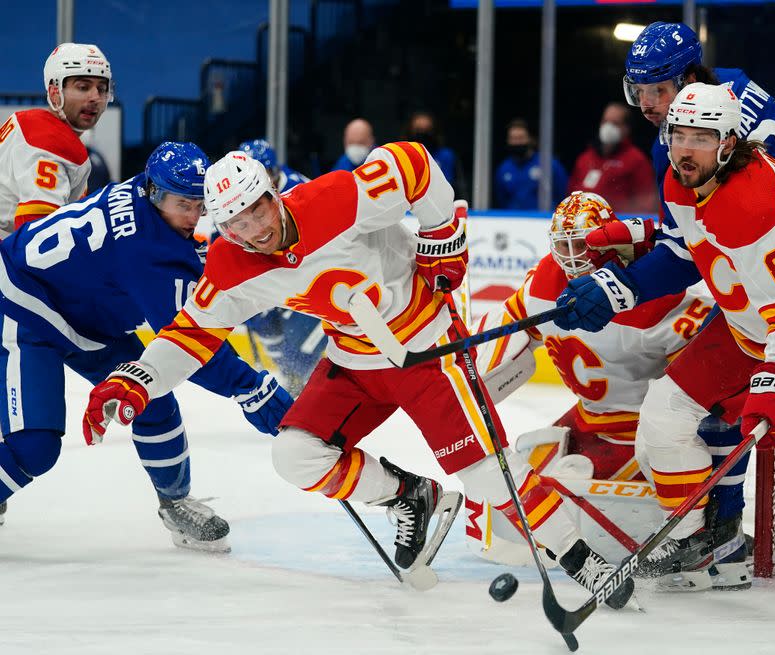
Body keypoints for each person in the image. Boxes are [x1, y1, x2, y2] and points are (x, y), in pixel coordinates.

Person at [83, 144, 635, 608]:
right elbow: (189, 335)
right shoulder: (230, 264)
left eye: (256, 211)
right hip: (353, 360)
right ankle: (410, 496)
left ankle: (579, 557)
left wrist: (443, 236)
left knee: (490, 478)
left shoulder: (336, 198)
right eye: (234, 222)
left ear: (273, 195)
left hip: (427, 347)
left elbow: (415, 165)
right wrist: (135, 379)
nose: (252, 230)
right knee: (295, 455)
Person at [553, 83, 775, 591]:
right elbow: (683, 254)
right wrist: (617, 287)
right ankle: (695, 540)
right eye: (677, 134)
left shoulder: (757, 207)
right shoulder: (679, 179)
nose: (684, 148)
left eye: (701, 137)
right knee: (664, 417)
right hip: (746, 329)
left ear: (729, 143)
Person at [0, 142, 292, 550]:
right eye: (183, 204)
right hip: (24, 304)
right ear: (156, 193)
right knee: (35, 447)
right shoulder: (148, 251)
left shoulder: (147, 196)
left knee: (149, 396)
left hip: (84, 315)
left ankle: (174, 503)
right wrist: (249, 387)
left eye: (199, 204)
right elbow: (189, 343)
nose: (193, 217)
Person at [468, 191, 749, 588]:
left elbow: (701, 388)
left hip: (640, 431)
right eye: (563, 246)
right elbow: (505, 331)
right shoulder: (545, 281)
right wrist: (469, 386)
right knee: (518, 467)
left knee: (659, 448)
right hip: (588, 418)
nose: (572, 258)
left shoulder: (656, 297)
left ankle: (700, 537)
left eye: (581, 244)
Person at [623, 21, 775, 193]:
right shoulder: (731, 80)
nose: (645, 105)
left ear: (689, 81)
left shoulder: (707, 126)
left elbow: (685, 220)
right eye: (638, 91)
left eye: (657, 91)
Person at [237, 139, 324, 396]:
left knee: (300, 339)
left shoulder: (301, 190)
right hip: (263, 277)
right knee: (266, 328)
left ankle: (301, 377)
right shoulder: (236, 198)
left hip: (303, 274)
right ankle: (292, 374)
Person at [0, 43, 113, 239]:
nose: (95, 97)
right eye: (83, 87)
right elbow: (38, 237)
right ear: (54, 93)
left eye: (101, 89)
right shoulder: (50, 142)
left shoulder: (27, 122)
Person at [567, 103, 658, 213]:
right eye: (605, 121)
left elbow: (646, 201)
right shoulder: (585, 158)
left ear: (626, 128)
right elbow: (570, 194)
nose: (608, 127)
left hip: (616, 223)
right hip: (583, 222)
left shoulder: (637, 160)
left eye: (615, 123)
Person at [494, 118, 568, 210]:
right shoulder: (504, 169)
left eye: (520, 138)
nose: (517, 142)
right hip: (512, 220)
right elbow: (502, 199)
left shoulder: (548, 164)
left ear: (530, 139)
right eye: (513, 138)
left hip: (543, 220)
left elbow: (562, 193)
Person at [406, 111, 464, 197]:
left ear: (434, 131)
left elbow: (453, 187)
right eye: (418, 130)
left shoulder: (446, 155)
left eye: (427, 130)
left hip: (440, 203)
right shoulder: (402, 156)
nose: (423, 135)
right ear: (411, 131)